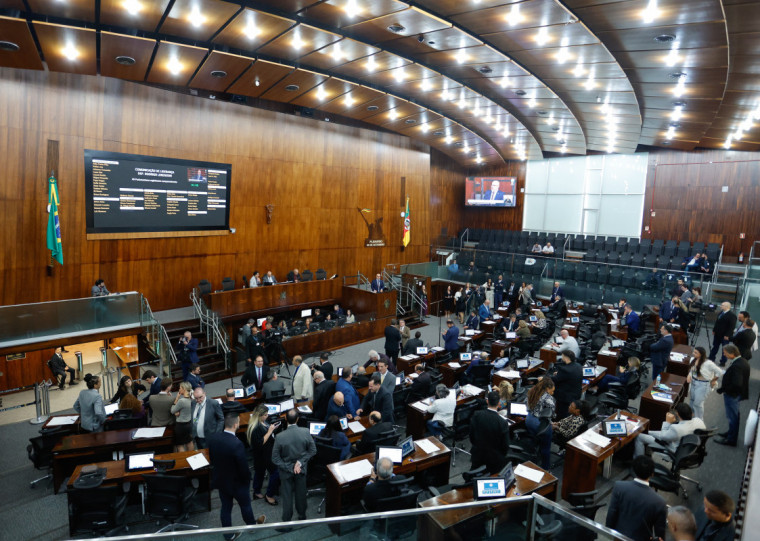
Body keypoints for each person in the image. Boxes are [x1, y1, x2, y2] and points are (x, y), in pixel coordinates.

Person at [208, 412, 265, 539]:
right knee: (245, 505)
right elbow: (243, 467)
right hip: (238, 483)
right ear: (235, 425)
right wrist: (247, 480)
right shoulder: (237, 444)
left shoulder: (214, 439)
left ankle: (228, 535)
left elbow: (212, 459)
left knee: (225, 508)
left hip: (222, 481)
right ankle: (251, 527)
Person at [605, 455, 667, 541]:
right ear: (652, 474)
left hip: (619, 537)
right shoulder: (660, 502)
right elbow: (660, 535)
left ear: (634, 470)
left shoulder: (619, 487)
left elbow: (611, 515)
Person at [272, 409, 316, 523]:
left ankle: (287, 522)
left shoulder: (279, 436)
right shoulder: (306, 431)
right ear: (298, 419)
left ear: (285, 419)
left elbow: (275, 458)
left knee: (287, 497)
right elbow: (313, 450)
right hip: (301, 469)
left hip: (285, 471)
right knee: (301, 494)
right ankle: (302, 516)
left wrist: (289, 467)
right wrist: (300, 462)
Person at [634, 402, 705, 456]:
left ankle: (638, 463)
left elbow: (662, 436)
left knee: (640, 436)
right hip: (691, 449)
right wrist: (649, 432)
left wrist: (667, 422)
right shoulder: (699, 421)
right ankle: (648, 454)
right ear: (691, 413)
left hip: (674, 450)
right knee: (650, 434)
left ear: (677, 414)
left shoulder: (677, 429)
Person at [715, 344, 750, 446]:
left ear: (732, 353)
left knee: (732, 417)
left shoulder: (736, 366)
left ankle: (731, 439)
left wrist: (724, 390)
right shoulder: (742, 361)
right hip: (737, 394)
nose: (724, 354)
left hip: (732, 395)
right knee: (734, 416)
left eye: (725, 353)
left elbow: (736, 384)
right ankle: (731, 433)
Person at [246, 404, 280, 506]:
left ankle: (256, 491)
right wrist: (270, 431)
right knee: (275, 473)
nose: (267, 416)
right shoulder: (255, 428)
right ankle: (269, 495)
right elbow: (260, 443)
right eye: (265, 415)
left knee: (259, 472)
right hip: (263, 455)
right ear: (259, 416)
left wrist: (272, 429)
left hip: (266, 452)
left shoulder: (263, 422)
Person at [469, 391, 510, 473]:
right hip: (494, 459)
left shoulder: (476, 414)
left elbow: (471, 436)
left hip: (478, 454)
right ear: (499, 403)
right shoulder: (502, 422)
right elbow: (505, 446)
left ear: (487, 401)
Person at [526, 378, 555, 469]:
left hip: (529, 420)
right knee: (545, 448)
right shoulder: (548, 399)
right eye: (552, 391)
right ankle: (546, 469)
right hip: (540, 425)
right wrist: (551, 423)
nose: (552, 393)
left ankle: (532, 461)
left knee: (535, 440)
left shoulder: (532, 391)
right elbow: (551, 414)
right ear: (547, 388)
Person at [687, 346, 722, 420]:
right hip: (694, 383)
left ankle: (699, 419)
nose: (693, 353)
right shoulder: (693, 360)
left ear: (701, 354)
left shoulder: (708, 363)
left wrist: (713, 380)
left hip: (703, 385)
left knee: (698, 403)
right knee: (692, 400)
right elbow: (693, 371)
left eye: (696, 352)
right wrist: (689, 375)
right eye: (694, 352)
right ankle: (690, 416)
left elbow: (719, 372)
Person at [550, 350, 582, 419]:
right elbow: (569, 375)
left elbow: (556, 379)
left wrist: (545, 378)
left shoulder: (564, 369)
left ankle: (559, 421)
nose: (561, 358)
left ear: (566, 358)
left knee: (562, 413)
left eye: (562, 356)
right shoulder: (578, 366)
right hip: (576, 394)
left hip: (565, 397)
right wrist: (559, 374)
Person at [170, 381, 194, 452]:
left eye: (180, 388)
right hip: (189, 424)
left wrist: (177, 398)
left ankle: (183, 458)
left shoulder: (181, 401)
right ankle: (191, 456)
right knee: (189, 442)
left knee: (180, 445)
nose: (179, 389)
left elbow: (172, 411)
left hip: (181, 426)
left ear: (184, 389)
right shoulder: (192, 399)